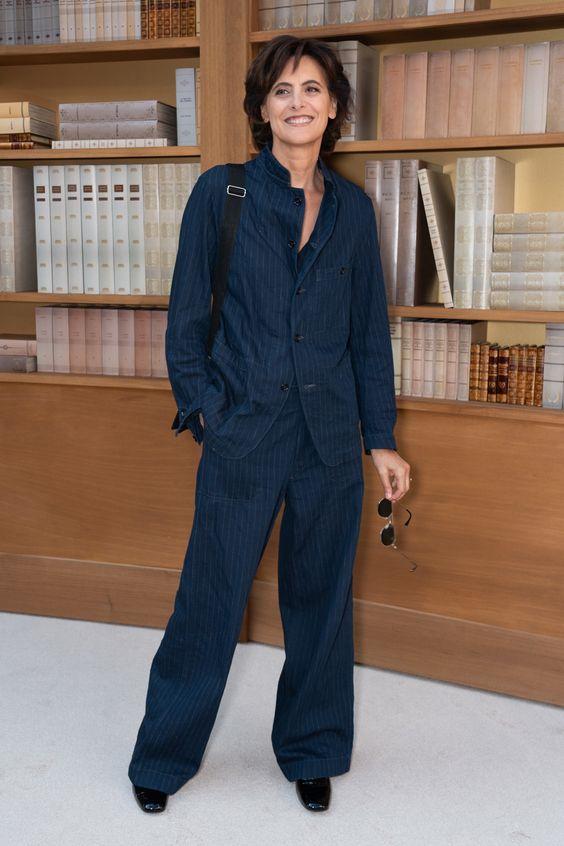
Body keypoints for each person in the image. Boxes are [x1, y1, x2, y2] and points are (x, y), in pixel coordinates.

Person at [128, 33, 411, 815]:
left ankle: (312, 748)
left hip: (329, 439)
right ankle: (164, 754)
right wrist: (209, 414)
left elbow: (368, 336)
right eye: (282, 89)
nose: (298, 102)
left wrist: (380, 438)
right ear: (261, 107)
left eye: (313, 88)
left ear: (335, 107)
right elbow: (187, 322)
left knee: (321, 603)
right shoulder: (221, 195)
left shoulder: (354, 211)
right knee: (210, 599)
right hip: (243, 433)